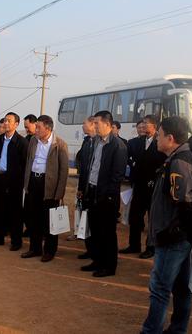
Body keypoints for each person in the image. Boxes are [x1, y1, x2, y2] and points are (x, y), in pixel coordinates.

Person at [141, 116, 192, 334]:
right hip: (180, 235)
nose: (157, 140)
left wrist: (182, 231)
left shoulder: (180, 161)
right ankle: (178, 329)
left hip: (173, 236)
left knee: (160, 288)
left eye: (159, 135)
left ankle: (151, 330)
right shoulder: (182, 158)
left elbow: (185, 202)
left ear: (170, 138)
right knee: (181, 288)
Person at [80, 111, 127, 277]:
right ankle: (97, 261)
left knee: (107, 232)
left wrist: (106, 195)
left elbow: (117, 176)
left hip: (107, 197)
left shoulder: (118, 145)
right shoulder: (96, 142)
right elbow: (92, 167)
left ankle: (109, 266)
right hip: (92, 192)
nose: (95, 126)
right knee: (96, 230)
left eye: (97, 123)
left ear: (107, 124)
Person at [21, 115, 69, 262]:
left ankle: (49, 251)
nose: (35, 130)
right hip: (33, 183)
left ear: (48, 128)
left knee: (50, 221)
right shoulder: (33, 142)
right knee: (33, 217)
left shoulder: (60, 144)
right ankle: (34, 249)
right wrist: (26, 184)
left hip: (49, 186)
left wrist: (59, 192)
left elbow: (63, 171)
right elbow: (29, 161)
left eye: (38, 127)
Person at [120, 115, 165, 259]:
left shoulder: (160, 143)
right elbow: (131, 157)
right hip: (138, 185)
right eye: (143, 123)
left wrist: (154, 179)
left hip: (153, 187)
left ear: (154, 126)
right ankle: (134, 245)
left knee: (152, 219)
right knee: (135, 216)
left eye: (146, 124)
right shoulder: (138, 142)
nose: (143, 126)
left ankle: (150, 247)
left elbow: (163, 164)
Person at [0, 112, 28, 250]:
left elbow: (25, 164)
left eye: (9, 121)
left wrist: (17, 179)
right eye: (4, 120)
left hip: (14, 181)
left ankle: (16, 241)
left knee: (15, 212)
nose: (6, 123)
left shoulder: (21, 142)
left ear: (16, 124)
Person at [75, 116, 96, 249]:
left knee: (94, 221)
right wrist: (81, 188)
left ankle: (94, 251)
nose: (82, 126)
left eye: (84, 123)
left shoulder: (99, 143)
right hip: (85, 187)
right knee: (86, 218)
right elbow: (83, 167)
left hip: (95, 188)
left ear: (93, 124)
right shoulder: (87, 141)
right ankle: (89, 249)